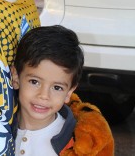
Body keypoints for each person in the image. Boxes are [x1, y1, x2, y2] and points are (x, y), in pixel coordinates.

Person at [11, 25, 84, 156]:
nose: (44, 95)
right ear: (16, 78)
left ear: (69, 92)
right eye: (35, 82)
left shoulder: (77, 144)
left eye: (57, 88)